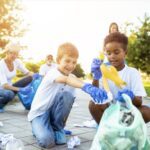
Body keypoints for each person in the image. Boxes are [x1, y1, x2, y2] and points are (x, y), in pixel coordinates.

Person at [28, 42, 110, 148]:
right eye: (67, 61)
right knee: (46, 142)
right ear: (58, 60)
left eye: (74, 62)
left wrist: (61, 126)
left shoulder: (72, 78)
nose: (71, 65)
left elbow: (66, 106)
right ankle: (38, 128)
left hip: (53, 113)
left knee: (67, 96)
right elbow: (66, 79)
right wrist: (87, 87)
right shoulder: (52, 73)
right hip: (39, 114)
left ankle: (56, 128)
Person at [89, 32, 150, 124]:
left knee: (147, 112)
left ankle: (123, 129)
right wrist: (96, 77)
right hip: (109, 111)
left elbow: (139, 102)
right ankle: (107, 131)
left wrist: (130, 97)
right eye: (108, 53)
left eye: (116, 52)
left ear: (125, 53)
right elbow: (95, 96)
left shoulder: (133, 73)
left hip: (127, 113)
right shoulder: (103, 71)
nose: (112, 56)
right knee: (93, 104)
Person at [0, 42, 36, 112]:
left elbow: (27, 73)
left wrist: (37, 75)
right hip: (2, 88)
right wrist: (21, 89)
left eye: (16, 54)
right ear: (7, 52)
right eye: (12, 53)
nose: (14, 56)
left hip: (10, 87)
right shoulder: (1, 65)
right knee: (9, 94)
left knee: (29, 78)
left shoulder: (16, 61)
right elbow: (5, 86)